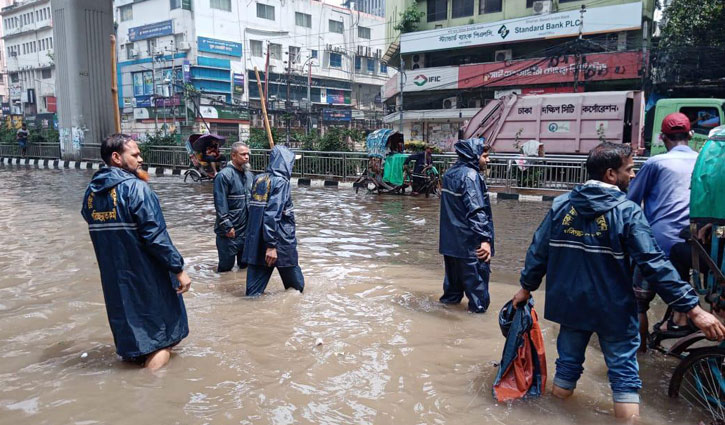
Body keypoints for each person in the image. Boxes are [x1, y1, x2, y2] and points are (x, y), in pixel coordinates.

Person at [510, 142, 725, 420]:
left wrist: (526, 288)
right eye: (630, 169)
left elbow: (538, 251)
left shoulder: (562, 205)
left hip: (571, 306)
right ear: (611, 174)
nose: (634, 175)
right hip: (614, 309)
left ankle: (553, 417)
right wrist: (694, 309)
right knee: (624, 377)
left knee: (567, 367)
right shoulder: (628, 212)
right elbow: (655, 264)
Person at [81, 134, 191, 371]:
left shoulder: (90, 195)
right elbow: (156, 237)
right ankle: (150, 391)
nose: (141, 159)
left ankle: (129, 386)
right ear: (116, 158)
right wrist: (178, 269)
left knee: (132, 337)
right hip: (147, 277)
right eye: (135, 154)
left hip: (115, 280)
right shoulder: (136, 189)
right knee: (164, 338)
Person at [628, 113, 699, 340]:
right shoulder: (702, 160)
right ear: (690, 135)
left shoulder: (656, 162)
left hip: (658, 243)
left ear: (661, 137)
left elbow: (631, 202)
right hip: (696, 246)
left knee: (637, 304)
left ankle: (639, 354)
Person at [439, 138, 494, 313]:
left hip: (450, 245)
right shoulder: (471, 176)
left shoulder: (449, 174)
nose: (488, 160)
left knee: (451, 295)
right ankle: (476, 335)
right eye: (485, 156)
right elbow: (476, 210)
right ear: (474, 155)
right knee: (479, 301)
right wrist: (485, 240)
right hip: (470, 247)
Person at [242, 145, 304, 296]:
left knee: (253, 294)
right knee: (296, 290)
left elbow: (254, 211)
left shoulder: (259, 179)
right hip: (280, 242)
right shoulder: (282, 182)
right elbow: (272, 214)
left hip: (257, 241)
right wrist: (271, 245)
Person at [213, 142, 254, 272]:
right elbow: (220, 203)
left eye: (248, 154)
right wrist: (227, 225)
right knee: (225, 269)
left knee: (245, 268)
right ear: (233, 156)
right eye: (243, 154)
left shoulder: (249, 175)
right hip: (229, 232)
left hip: (246, 231)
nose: (246, 157)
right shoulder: (224, 176)